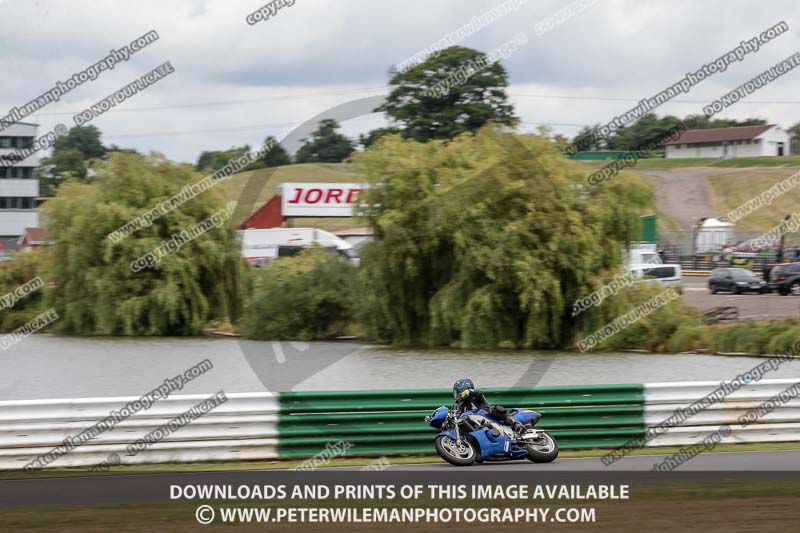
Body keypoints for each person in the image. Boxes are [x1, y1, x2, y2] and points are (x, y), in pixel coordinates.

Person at [452, 378, 525, 434]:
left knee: (495, 409)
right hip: (478, 425)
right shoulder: (460, 405)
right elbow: (457, 416)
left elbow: (478, 393)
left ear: (465, 390)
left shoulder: (475, 397)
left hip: (489, 417)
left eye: (458, 393)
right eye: (456, 393)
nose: (457, 395)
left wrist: (470, 392)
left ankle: (515, 423)